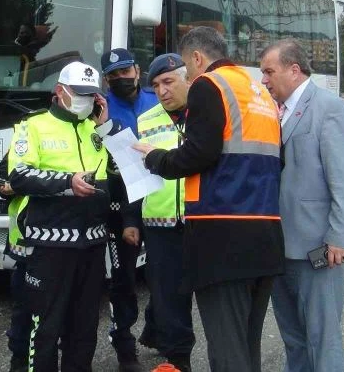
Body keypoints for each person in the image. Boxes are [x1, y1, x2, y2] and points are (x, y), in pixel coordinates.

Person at [134, 27, 284, 372]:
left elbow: (198, 154)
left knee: (227, 350)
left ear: (197, 58)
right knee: (247, 345)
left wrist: (155, 158)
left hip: (222, 235)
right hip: (266, 232)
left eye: (186, 68)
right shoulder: (258, 91)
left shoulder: (209, 84)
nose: (188, 76)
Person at [259, 39, 344, 372]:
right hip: (279, 246)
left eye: (268, 72)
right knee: (294, 338)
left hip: (318, 246)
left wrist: (339, 237)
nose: (264, 80)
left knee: (323, 338)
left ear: (294, 69)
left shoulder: (330, 108)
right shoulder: (276, 112)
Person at [7, 61, 111, 372]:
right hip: (51, 246)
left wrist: (106, 126)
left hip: (91, 245)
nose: (86, 100)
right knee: (45, 328)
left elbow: (121, 173)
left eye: (92, 95)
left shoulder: (97, 130)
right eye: (79, 94)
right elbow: (19, 175)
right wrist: (67, 182)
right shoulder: (33, 126)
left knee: (84, 328)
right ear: (59, 92)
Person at [124, 53, 195, 372]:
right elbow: (135, 175)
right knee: (169, 296)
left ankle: (159, 332)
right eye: (155, 85)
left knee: (198, 294)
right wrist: (131, 220)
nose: (163, 90)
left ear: (187, 79)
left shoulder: (206, 115)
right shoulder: (147, 120)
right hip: (159, 224)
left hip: (199, 220)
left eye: (168, 82)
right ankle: (178, 360)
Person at [100, 48, 159, 371]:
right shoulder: (102, 108)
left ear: (137, 70)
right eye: (113, 76)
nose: (121, 79)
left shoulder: (156, 100)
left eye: (125, 72)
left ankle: (155, 328)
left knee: (164, 275)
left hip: (160, 198)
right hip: (121, 202)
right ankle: (124, 346)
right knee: (123, 278)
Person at [0, 148, 32, 372]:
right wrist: (7, 188)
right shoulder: (22, 141)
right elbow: (1, 185)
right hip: (23, 245)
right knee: (23, 310)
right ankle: (19, 360)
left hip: (61, 245)